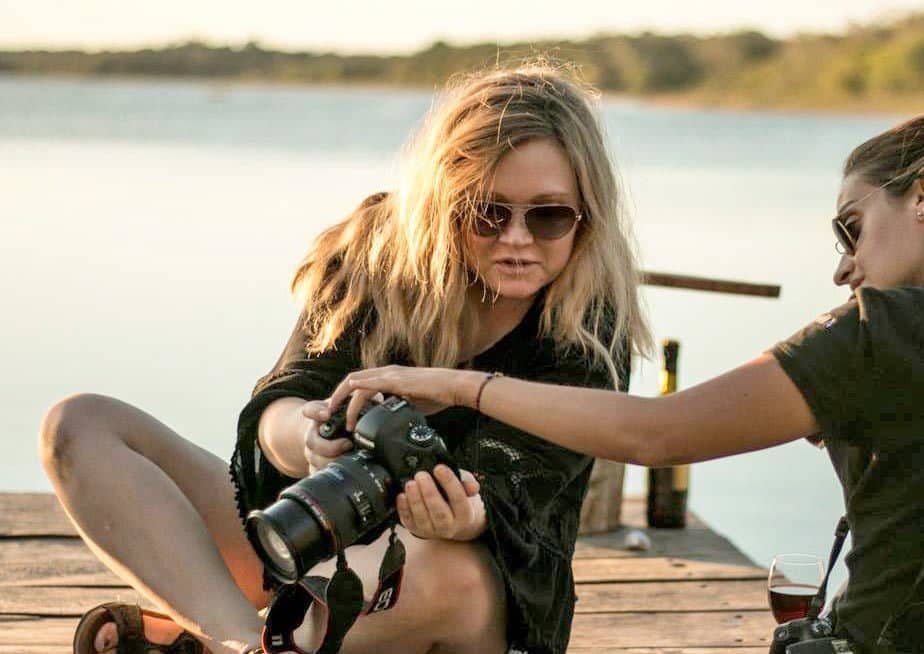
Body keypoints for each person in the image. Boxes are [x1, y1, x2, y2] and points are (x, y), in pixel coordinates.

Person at [323, 113, 924, 653]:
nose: (844, 266)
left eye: (851, 227)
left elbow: (655, 432)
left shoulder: (882, 331)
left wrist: (461, 385)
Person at [40, 64, 650, 654]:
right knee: (81, 425)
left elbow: (524, 494)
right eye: (487, 213)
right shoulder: (379, 249)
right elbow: (283, 397)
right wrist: (309, 437)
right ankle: (242, 644)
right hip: (313, 536)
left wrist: (463, 515)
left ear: (585, 215)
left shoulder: (592, 323)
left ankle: (240, 635)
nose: (516, 239)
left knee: (438, 567)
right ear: (444, 203)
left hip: (460, 593)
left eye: (547, 216)